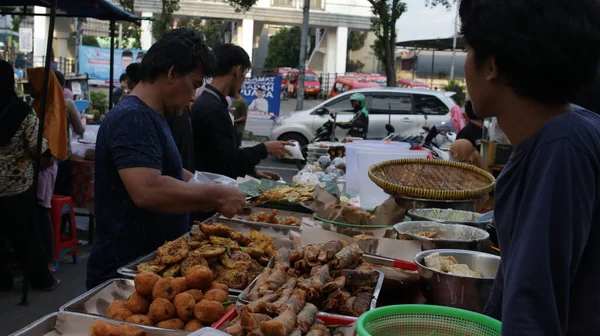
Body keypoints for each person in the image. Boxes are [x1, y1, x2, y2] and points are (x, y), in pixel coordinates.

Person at [460, 0, 600, 334]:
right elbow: (514, 284)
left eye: (468, 49)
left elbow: (533, 307)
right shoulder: (564, 133)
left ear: (491, 65)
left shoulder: (562, 150)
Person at [86, 28, 246, 289]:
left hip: (152, 267)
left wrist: (203, 183)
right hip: (126, 274)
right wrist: (216, 195)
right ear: (172, 73)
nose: (194, 96)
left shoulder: (154, 115)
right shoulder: (132, 117)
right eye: (194, 84)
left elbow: (166, 170)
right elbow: (147, 189)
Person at [191, 43, 293, 185]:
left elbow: (221, 156)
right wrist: (264, 149)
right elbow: (224, 164)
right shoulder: (212, 107)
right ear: (238, 70)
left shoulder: (211, 101)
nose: (243, 82)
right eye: (244, 75)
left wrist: (252, 172)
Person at [0, 60, 60, 291]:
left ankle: (3, 282)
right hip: (17, 187)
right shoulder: (23, 112)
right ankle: (42, 280)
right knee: (26, 236)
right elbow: (41, 150)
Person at [52, 70, 86, 196]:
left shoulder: (37, 103)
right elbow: (80, 130)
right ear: (62, 85)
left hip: (42, 158)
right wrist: (83, 120)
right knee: (60, 195)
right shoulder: (67, 104)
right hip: (61, 156)